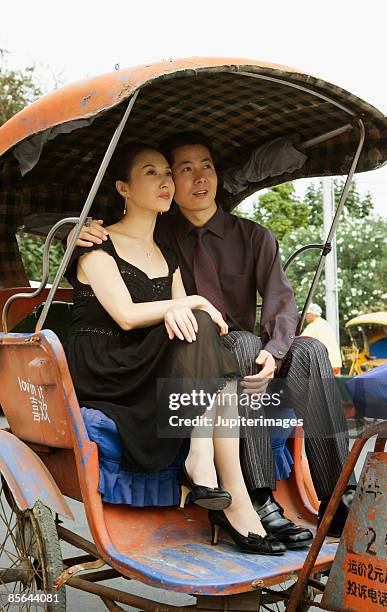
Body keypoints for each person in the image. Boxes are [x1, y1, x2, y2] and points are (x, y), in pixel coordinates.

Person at [74, 132, 355, 540]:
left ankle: (336, 497)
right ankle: (259, 497)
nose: (197, 178)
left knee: (309, 350)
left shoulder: (253, 236)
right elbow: (112, 234)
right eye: (183, 169)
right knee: (239, 344)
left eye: (205, 166)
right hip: (199, 349)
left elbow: (281, 302)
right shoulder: (162, 231)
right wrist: (74, 233)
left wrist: (276, 353)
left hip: (243, 350)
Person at [65, 142, 285, 555]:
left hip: (145, 362)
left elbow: (183, 316)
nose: (166, 181)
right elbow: (127, 315)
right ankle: (213, 478)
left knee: (198, 325)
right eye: (151, 173)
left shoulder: (167, 253)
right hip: (106, 364)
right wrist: (192, 302)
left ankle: (225, 485)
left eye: (167, 172)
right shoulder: (96, 245)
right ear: (123, 188)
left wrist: (189, 308)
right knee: (196, 314)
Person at [301, 304, 343, 375]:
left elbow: (300, 342)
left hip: (323, 364)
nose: (305, 316)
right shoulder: (325, 324)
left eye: (307, 314)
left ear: (312, 314)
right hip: (336, 363)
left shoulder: (313, 326)